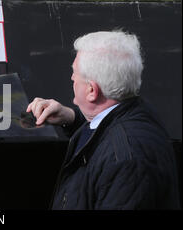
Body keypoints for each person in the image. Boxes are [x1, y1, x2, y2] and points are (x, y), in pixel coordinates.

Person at [26, 30, 180, 209]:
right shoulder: (136, 112)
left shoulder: (127, 161)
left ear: (92, 91)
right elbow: (108, 130)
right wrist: (72, 117)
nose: (71, 77)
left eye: (74, 72)